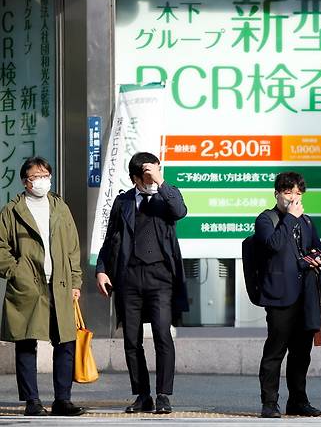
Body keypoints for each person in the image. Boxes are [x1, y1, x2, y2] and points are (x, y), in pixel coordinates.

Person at [95, 152, 188, 414]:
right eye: (146, 175)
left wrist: (160, 181)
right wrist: (102, 270)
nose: (151, 178)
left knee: (161, 334)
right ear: (136, 178)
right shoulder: (123, 202)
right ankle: (142, 395)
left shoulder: (167, 196)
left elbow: (180, 211)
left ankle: (163, 394)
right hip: (129, 277)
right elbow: (110, 238)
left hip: (161, 277)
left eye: (156, 171)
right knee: (131, 339)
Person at [0, 157, 85, 416]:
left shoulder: (60, 207)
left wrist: (75, 281)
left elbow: (72, 248)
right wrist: (17, 272)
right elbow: (1, 248)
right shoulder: (12, 211)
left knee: (66, 342)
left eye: (46, 174)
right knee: (26, 343)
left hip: (59, 284)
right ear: (26, 181)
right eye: (37, 176)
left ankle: (63, 400)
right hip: (28, 287)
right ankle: (32, 402)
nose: (43, 179)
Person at [256, 171, 321, 418]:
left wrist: (317, 258)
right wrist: (291, 219)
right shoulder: (267, 219)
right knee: (275, 351)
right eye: (288, 192)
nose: (293, 198)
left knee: (301, 353)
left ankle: (298, 400)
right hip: (279, 296)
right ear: (277, 194)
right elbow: (273, 245)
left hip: (305, 296)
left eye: (298, 193)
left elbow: (316, 248)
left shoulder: (306, 222)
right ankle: (269, 402)